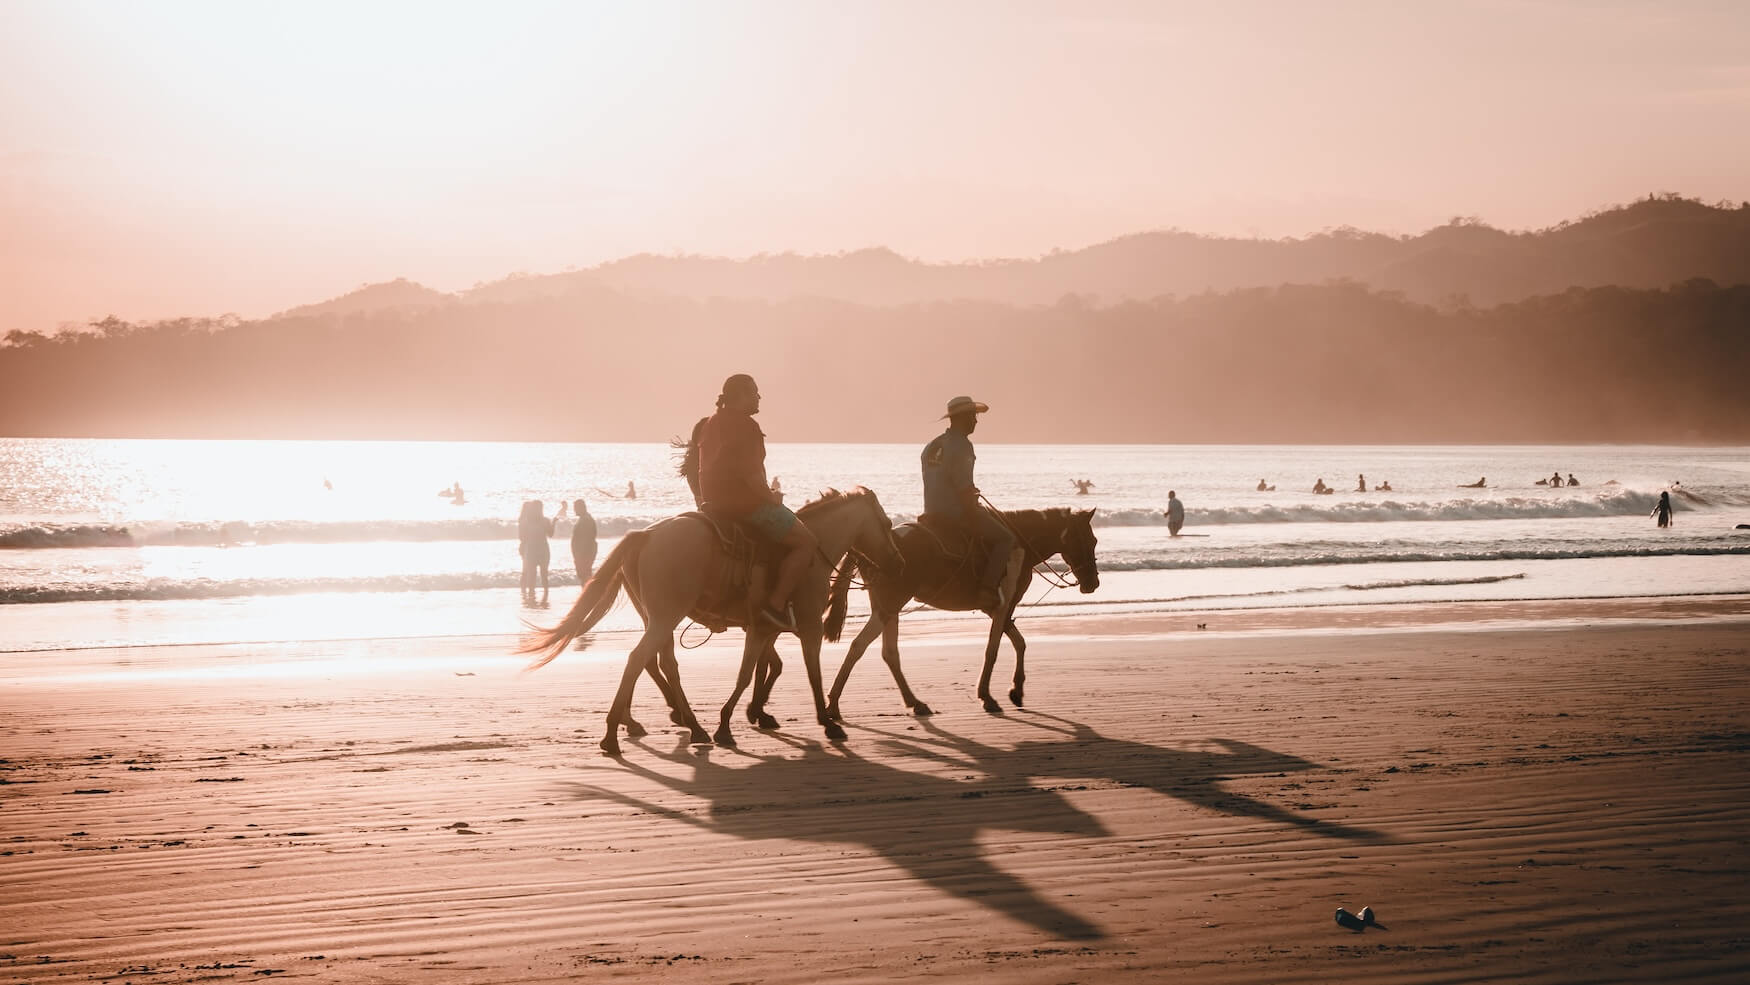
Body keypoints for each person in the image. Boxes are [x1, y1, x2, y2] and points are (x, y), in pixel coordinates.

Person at [699, 374, 816, 631]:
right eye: (754, 392)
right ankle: (775, 606)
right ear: (740, 395)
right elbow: (751, 475)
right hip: (745, 505)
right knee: (807, 542)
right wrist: (771, 496)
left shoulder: (712, 422)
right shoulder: (746, 425)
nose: (759, 397)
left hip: (713, 505)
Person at [921, 395, 1016, 611]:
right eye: (973, 416)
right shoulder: (963, 446)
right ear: (962, 418)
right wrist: (972, 499)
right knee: (1005, 538)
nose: (976, 421)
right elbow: (963, 488)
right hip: (955, 514)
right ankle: (987, 590)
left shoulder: (931, 446)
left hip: (930, 512)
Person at [517, 499, 556, 603]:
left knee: (542, 574)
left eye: (539, 508)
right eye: (537, 508)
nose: (538, 510)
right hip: (534, 550)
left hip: (539, 549)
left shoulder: (543, 521)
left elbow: (550, 534)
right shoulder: (527, 521)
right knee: (534, 574)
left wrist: (553, 523)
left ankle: (542, 597)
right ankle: (532, 596)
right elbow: (521, 537)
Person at [570, 497, 598, 582]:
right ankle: (588, 593)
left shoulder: (586, 520)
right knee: (584, 575)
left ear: (581, 508)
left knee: (585, 575)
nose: (574, 510)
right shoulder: (584, 519)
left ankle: (589, 594)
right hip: (583, 553)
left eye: (575, 508)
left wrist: (580, 555)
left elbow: (588, 538)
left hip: (584, 554)